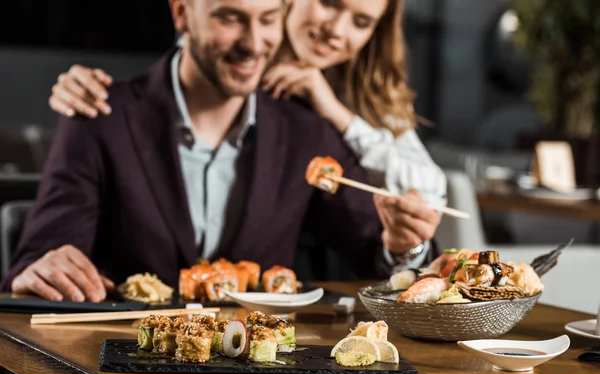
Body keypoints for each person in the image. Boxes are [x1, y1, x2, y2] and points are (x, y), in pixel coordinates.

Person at [1, 0, 441, 303]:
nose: (253, 43)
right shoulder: (98, 114)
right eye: (230, 18)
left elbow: (374, 246)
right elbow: (42, 254)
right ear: (182, 12)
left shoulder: (306, 131)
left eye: (268, 19)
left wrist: (403, 247)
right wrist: (43, 268)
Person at [47, 0, 447, 208]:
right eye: (329, 3)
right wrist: (76, 84)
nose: (336, 30)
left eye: (361, 22)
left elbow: (431, 196)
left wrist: (335, 112)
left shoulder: (369, 94)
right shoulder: (234, 65)